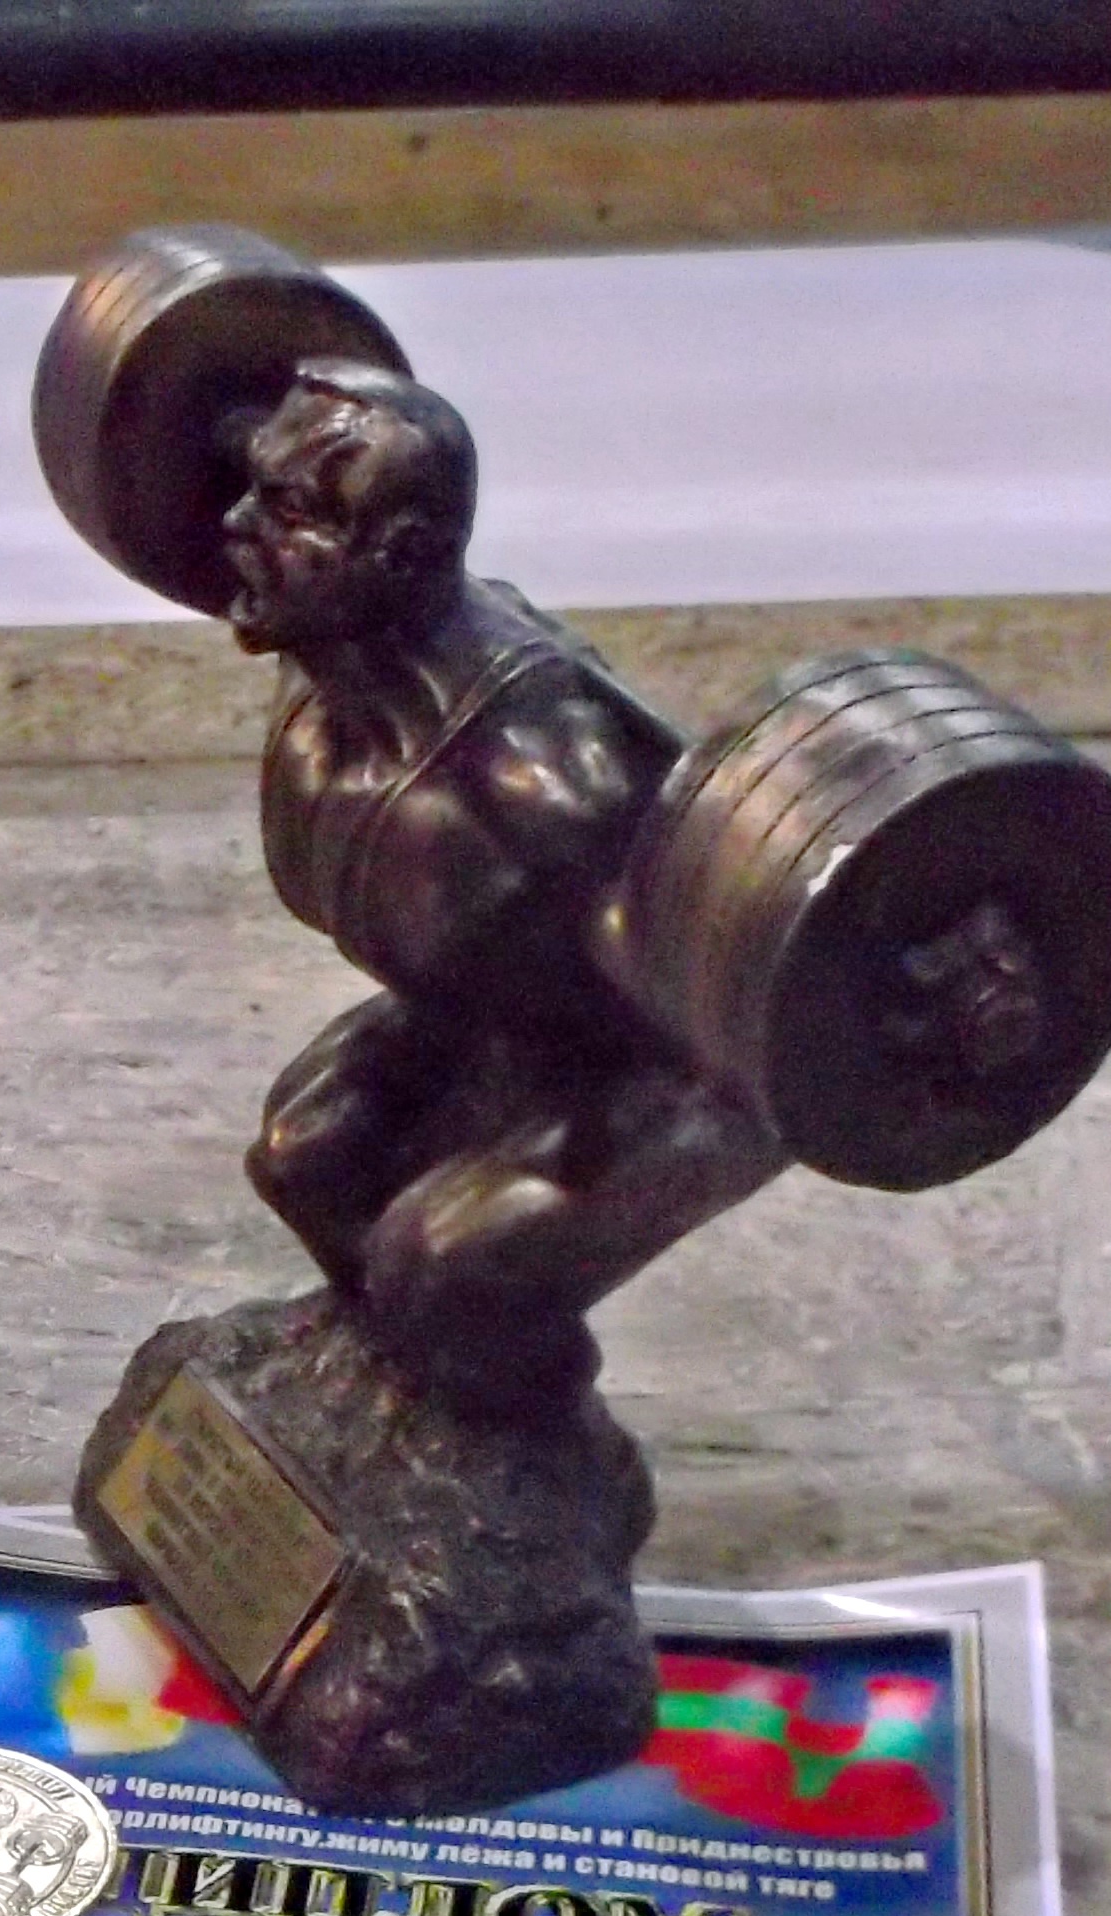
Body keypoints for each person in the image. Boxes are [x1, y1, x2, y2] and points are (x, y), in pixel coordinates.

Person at [219, 361, 785, 1416]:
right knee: (304, 1161)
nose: (233, 525)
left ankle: (520, 1427)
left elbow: (726, 990)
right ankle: (387, 1390)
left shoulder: (553, 788)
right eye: (253, 486)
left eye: (288, 511)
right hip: (500, 1010)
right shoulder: (327, 681)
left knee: (440, 1267)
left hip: (683, 1063)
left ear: (400, 554)